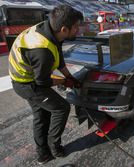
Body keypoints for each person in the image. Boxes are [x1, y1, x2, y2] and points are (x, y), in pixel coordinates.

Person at [8, 5, 83, 164]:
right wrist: (64, 81)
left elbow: (59, 57)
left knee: (42, 115)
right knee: (61, 107)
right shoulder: (41, 49)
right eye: (76, 27)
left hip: (30, 78)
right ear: (64, 29)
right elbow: (42, 81)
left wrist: (70, 77)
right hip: (26, 83)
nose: (78, 30)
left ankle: (43, 154)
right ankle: (54, 146)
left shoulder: (51, 30)